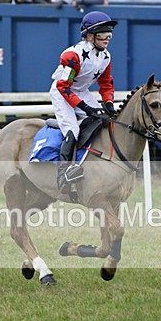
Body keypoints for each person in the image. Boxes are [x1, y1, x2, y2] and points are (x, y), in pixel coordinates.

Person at [48, 11, 117, 192]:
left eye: (109, 34)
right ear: (89, 36)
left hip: (81, 91)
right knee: (72, 129)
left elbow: (106, 84)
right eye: (102, 34)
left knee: (104, 120)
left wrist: (109, 104)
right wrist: (84, 107)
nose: (107, 38)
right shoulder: (73, 56)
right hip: (62, 92)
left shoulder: (106, 57)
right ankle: (64, 173)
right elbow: (64, 87)